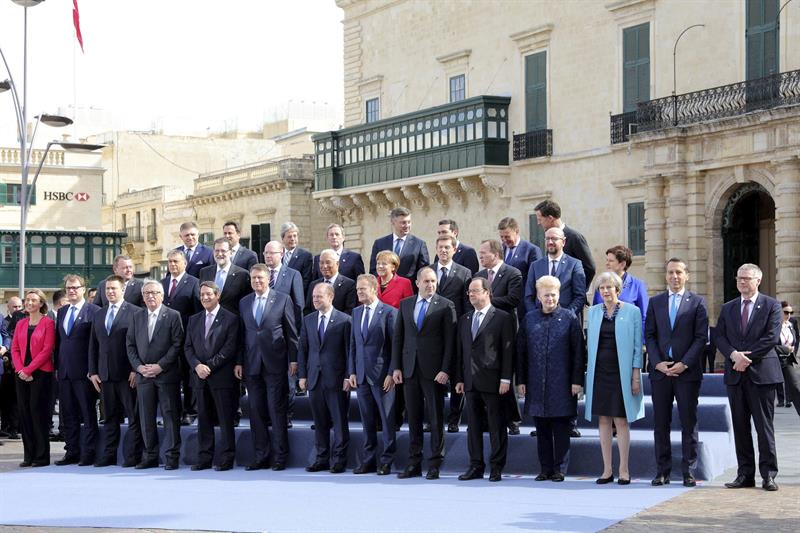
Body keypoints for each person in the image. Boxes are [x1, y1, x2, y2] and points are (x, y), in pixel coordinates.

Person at [715, 263, 782, 492]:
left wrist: (746, 358)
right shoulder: (728, 308)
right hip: (735, 376)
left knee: (764, 428)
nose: (742, 282)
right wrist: (733, 355)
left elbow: (771, 337)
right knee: (740, 427)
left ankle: (769, 475)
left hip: (762, 375)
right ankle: (745, 474)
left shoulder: (772, 306)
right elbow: (719, 336)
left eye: (747, 278)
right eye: (739, 278)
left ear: (758, 281)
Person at [645, 258, 709, 487]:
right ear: (666, 276)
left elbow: (702, 338)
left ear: (687, 275)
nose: (674, 276)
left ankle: (688, 471)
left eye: (679, 272)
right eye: (671, 272)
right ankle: (662, 471)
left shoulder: (698, 302)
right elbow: (649, 336)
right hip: (661, 372)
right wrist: (657, 362)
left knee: (688, 423)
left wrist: (684, 363)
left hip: (687, 373)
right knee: (660, 423)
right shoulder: (655, 302)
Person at [517, 275, 585, 482]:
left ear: (559, 295)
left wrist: (577, 381)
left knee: (561, 429)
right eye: (546, 295)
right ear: (538, 296)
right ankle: (545, 468)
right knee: (542, 429)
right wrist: (521, 380)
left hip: (562, 383)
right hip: (537, 383)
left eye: (553, 294)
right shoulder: (529, 319)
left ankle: (560, 469)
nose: (550, 299)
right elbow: (521, 352)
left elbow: (578, 353)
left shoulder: (569, 318)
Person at [391, 267, 457, 480]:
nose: (430, 285)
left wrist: (445, 370)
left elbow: (450, 343)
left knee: (436, 418)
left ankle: (435, 463)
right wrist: (397, 367)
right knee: (414, 417)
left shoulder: (446, 306)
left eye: (433, 281)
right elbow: (398, 338)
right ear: (417, 283)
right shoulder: (406, 304)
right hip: (410, 369)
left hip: (434, 372)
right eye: (426, 281)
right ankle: (414, 462)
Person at [584, 271, 644, 485]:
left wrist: (636, 375)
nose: (606, 291)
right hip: (599, 372)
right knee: (603, 419)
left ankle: (624, 469)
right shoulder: (593, 312)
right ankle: (607, 470)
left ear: (618, 290)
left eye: (609, 287)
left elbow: (638, 346)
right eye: (602, 288)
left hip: (622, 373)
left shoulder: (632, 311)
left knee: (621, 419)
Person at [237, 263, 299, 471]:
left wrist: (293, 359)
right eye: (253, 278)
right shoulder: (244, 302)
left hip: (276, 362)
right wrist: (239, 362)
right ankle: (260, 455)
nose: (256, 281)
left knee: (276, 409)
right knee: (255, 412)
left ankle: (280, 456)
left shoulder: (282, 299)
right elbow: (242, 334)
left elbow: (291, 332)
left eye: (260, 278)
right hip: (252, 364)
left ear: (268, 279)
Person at [456, 277, 515, 482]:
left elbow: (508, 352)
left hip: (494, 381)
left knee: (496, 425)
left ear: (487, 292)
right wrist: (460, 379)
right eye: (469, 292)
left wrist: (506, 379)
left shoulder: (502, 317)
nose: (471, 295)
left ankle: (496, 466)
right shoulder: (465, 319)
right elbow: (461, 352)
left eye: (475, 291)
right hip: (470, 382)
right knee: (473, 426)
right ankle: (475, 465)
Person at [126, 280, 185, 470]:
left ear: (162, 295)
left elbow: (177, 345)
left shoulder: (173, 316)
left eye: (154, 292)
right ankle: (150, 455)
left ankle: (171, 457)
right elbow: (130, 345)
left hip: (166, 375)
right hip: (144, 376)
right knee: (146, 418)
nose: (150, 296)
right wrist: (138, 367)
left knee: (170, 417)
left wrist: (160, 366)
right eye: (146, 293)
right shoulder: (137, 316)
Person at [88, 275, 144, 467]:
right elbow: (93, 345)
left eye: (114, 289)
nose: (110, 292)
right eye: (107, 289)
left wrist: (135, 369)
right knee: (109, 418)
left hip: (128, 375)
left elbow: (139, 344)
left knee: (133, 418)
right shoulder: (99, 314)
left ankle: (132, 456)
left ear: (123, 290)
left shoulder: (136, 312)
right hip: (105, 375)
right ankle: (109, 455)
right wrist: (93, 371)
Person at [184, 281, 240, 471]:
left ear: (218, 295)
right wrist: (197, 366)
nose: (205, 298)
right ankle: (204, 458)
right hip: (200, 378)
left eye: (209, 294)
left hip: (221, 377)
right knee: (204, 420)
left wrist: (209, 366)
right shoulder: (194, 319)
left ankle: (226, 457)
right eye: (202, 295)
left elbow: (230, 347)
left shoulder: (230, 318)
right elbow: (188, 347)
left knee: (225, 420)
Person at [298, 283, 352, 473]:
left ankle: (339, 459)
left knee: (339, 421)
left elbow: (348, 351)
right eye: (313, 297)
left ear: (330, 297)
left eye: (319, 296)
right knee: (319, 422)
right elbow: (303, 349)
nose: (315, 300)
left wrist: (348, 376)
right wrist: (302, 375)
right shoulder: (308, 320)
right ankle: (321, 458)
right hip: (314, 378)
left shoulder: (345, 320)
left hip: (336, 379)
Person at [347, 274, 398, 475]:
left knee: (386, 420)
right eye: (358, 289)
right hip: (361, 377)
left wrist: (391, 372)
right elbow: (353, 345)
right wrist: (351, 371)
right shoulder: (356, 313)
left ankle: (386, 460)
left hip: (382, 376)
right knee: (367, 421)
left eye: (362, 289)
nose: (359, 292)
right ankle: (368, 460)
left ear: (374, 289)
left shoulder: (389, 313)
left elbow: (395, 346)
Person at [476, 239, 524, 436]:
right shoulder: (478, 276)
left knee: (506, 377)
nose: (480, 256)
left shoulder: (513, 273)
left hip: (506, 332)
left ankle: (512, 419)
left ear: (495, 254)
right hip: (483, 334)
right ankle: (488, 418)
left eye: (484, 252)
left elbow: (513, 299)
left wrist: (486, 300)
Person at [54, 274, 101, 466]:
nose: (71, 291)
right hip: (64, 372)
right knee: (69, 415)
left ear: (83, 289)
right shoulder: (63, 311)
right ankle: (71, 451)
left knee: (88, 415)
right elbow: (59, 342)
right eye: (68, 288)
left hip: (84, 373)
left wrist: (93, 370)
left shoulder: (94, 311)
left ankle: (88, 453)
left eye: (75, 287)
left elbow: (96, 344)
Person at [431, 234, 472, 433]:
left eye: (447, 247)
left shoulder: (464, 273)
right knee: (434, 374)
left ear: (454, 250)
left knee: (457, 375)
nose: (443, 251)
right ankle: (433, 418)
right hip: (432, 333)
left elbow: (466, 306)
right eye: (440, 247)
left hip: (455, 330)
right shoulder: (428, 272)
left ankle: (454, 418)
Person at [12, 289, 55, 467]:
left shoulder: (48, 323)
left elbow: (47, 350)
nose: (29, 303)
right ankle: (28, 455)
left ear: (41, 304)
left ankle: (41, 456)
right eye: (27, 300)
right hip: (21, 374)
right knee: (24, 414)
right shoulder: (21, 323)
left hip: (41, 374)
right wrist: (21, 369)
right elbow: (14, 348)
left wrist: (29, 369)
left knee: (38, 414)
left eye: (34, 300)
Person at [161, 249, 201, 426]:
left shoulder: (194, 283)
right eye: (169, 262)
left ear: (185, 263)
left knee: (188, 375)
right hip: (166, 340)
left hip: (186, 338)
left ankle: (190, 412)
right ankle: (172, 412)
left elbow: (197, 313)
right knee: (169, 378)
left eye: (176, 261)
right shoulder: (161, 284)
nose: (172, 265)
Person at [524, 227, 586, 316]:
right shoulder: (535, 266)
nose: (550, 242)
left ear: (563, 242)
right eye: (547, 239)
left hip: (566, 320)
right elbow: (528, 296)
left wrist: (566, 316)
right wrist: (536, 316)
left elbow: (580, 296)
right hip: (540, 321)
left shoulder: (574, 264)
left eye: (554, 239)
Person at [534, 199, 596, 285]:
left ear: (550, 218)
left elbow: (589, 268)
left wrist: (578, 289)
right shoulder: (548, 237)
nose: (538, 223)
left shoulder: (574, 237)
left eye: (540, 219)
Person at [370, 206, 430, 287]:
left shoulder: (419, 244)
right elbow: (373, 270)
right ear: (393, 222)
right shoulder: (380, 243)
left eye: (409, 222)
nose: (407, 225)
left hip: (409, 292)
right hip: (384, 292)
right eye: (403, 222)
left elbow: (423, 271)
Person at [592, 245, 648, 329]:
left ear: (622, 264)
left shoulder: (637, 285)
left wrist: (641, 340)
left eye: (611, 261)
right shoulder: (601, 284)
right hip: (604, 336)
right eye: (607, 260)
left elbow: (644, 317)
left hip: (628, 335)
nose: (607, 263)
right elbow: (595, 314)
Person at [497, 217, 541, 318]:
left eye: (507, 236)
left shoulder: (532, 250)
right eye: (501, 237)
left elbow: (535, 280)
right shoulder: (499, 249)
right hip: (503, 304)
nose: (504, 240)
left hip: (522, 305)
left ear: (516, 231)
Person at [199, 238, 252, 315]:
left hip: (233, 321)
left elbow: (246, 303)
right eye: (217, 251)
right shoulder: (204, 272)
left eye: (223, 251)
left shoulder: (242, 274)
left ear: (230, 253)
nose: (219, 254)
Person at [305, 249, 357, 316]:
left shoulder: (349, 284)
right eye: (321, 262)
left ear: (337, 263)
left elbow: (349, 311)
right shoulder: (313, 285)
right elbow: (308, 310)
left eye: (328, 262)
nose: (324, 266)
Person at [0, 296, 23, 440]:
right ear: (8, 306)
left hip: (13, 366)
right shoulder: (7, 320)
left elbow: (6, 336)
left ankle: (14, 427)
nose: (17, 309)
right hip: (7, 366)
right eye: (14, 307)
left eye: (19, 306)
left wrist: (5, 347)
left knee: (14, 400)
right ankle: (5, 426)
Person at [777, 301, 800, 415]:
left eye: (791, 312)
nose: (789, 315)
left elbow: (795, 341)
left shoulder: (790, 325)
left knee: (795, 386)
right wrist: (786, 349)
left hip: (787, 360)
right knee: (770, 390)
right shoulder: (773, 325)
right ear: (779, 311)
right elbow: (769, 345)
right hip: (774, 360)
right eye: (786, 312)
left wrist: (793, 352)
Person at [281, 221, 314, 295]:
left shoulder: (305, 256)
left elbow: (306, 281)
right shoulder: (278, 254)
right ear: (283, 238)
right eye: (289, 236)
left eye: (295, 236)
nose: (292, 239)